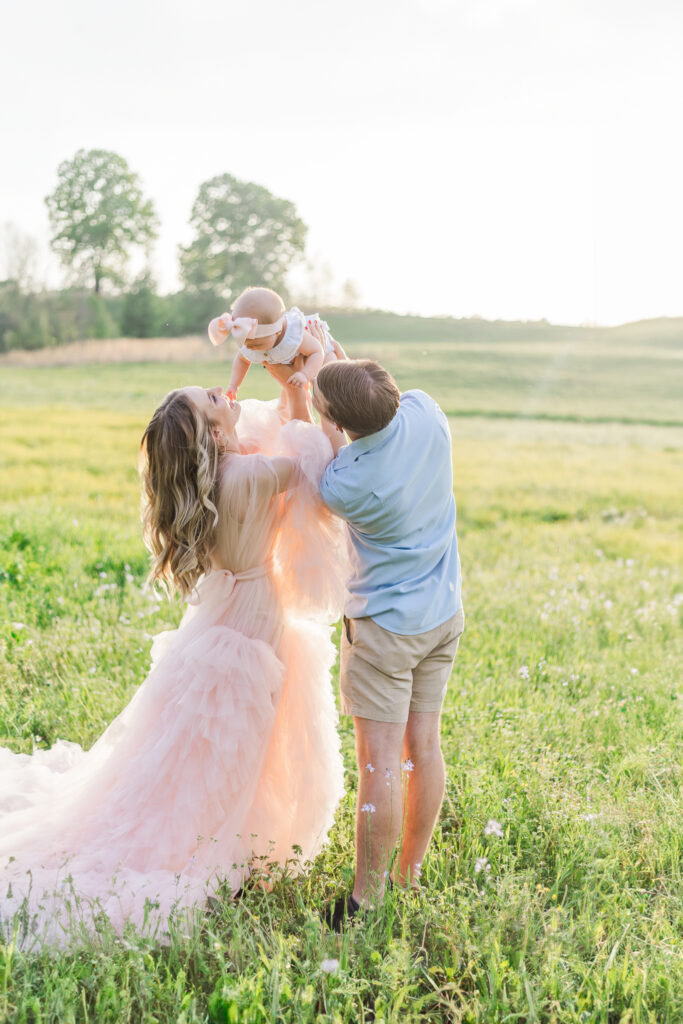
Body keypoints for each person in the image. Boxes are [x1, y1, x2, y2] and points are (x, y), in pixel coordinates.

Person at [0, 388, 347, 948]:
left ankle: (224, 831)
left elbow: (252, 436)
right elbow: (312, 461)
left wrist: (264, 379)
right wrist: (301, 389)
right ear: (212, 434)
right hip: (251, 623)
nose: (225, 392)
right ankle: (219, 843)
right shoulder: (251, 476)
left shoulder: (215, 477)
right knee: (236, 751)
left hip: (220, 621)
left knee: (195, 750)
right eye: (213, 398)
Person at [312, 360, 464, 929]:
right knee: (423, 744)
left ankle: (366, 899)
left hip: (384, 631)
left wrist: (319, 408)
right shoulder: (428, 413)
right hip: (443, 615)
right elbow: (367, 400)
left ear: (336, 420)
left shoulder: (344, 484)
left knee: (379, 761)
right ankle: (410, 873)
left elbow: (333, 448)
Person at [208, 286, 347, 420]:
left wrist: (305, 374)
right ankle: (301, 426)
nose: (251, 348)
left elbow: (317, 351)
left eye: (257, 344)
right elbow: (242, 360)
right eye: (246, 344)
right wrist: (234, 385)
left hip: (322, 351)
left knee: (327, 394)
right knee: (290, 400)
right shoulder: (251, 342)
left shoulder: (294, 335)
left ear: (277, 331)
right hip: (291, 362)